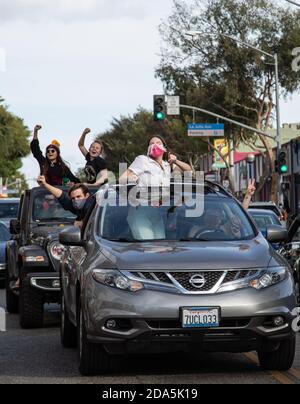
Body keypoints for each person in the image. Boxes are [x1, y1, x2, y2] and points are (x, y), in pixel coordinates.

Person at [120, 135, 192, 186]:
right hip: (145, 204)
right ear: (148, 149)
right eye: (152, 143)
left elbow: (189, 171)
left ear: (164, 148)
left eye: (158, 143)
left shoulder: (167, 165)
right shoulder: (142, 160)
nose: (155, 145)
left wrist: (176, 161)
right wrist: (130, 179)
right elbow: (122, 179)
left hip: (164, 205)